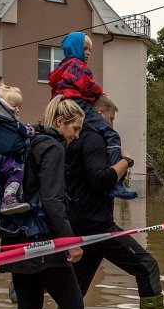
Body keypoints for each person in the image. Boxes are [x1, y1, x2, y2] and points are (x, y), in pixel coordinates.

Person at [0, 95, 105, 309]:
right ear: (60, 122)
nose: (76, 136)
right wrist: (70, 241)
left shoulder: (30, 142)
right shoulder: (53, 148)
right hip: (44, 243)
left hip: (17, 240)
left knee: (29, 307)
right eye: (75, 128)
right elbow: (52, 200)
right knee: (73, 305)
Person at [53, 93, 164, 309]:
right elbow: (100, 178)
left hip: (78, 224)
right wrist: (126, 161)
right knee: (147, 267)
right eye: (111, 119)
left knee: (75, 289)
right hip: (96, 225)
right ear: (101, 114)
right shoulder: (93, 137)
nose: (112, 125)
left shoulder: (74, 139)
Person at [48, 31, 138, 199]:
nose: (88, 53)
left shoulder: (62, 67)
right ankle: (116, 183)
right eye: (85, 48)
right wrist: (98, 93)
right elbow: (86, 85)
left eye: (90, 49)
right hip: (79, 105)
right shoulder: (77, 66)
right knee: (112, 135)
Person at [0, 84, 32, 215]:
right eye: (14, 105)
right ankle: (8, 200)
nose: (17, 109)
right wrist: (30, 130)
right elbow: (22, 130)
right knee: (16, 172)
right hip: (5, 158)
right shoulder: (8, 121)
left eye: (19, 107)